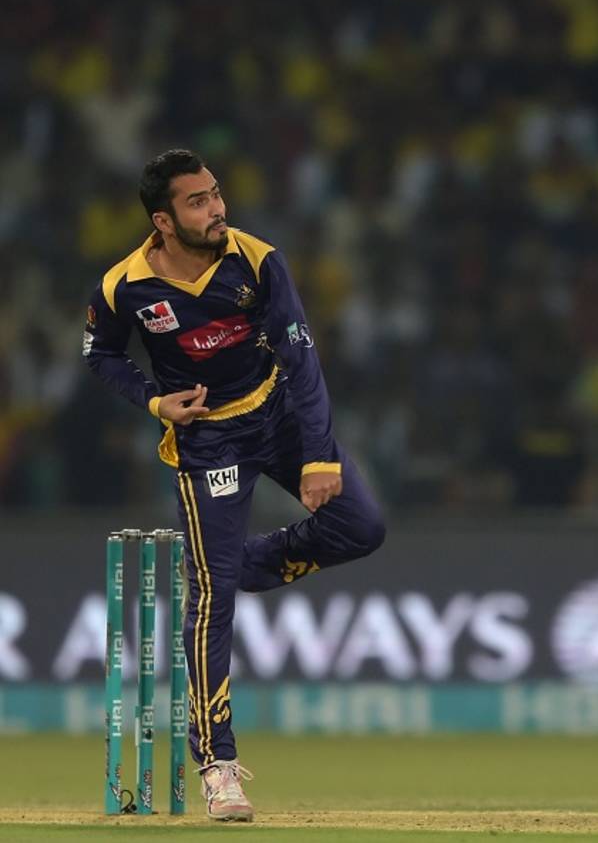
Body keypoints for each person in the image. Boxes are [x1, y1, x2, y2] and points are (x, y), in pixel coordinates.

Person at [84, 149, 387, 822]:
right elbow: (100, 355)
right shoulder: (124, 286)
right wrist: (152, 401)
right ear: (163, 220)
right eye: (198, 202)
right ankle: (218, 765)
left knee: (362, 526)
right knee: (212, 598)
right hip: (207, 441)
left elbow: (303, 357)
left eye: (216, 193)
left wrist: (317, 455)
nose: (217, 208)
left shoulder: (255, 259)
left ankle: (234, 564)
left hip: (276, 413)